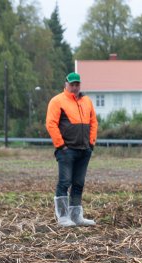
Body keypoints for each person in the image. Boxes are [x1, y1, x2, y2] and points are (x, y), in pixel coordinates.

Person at [45, 72, 98, 227]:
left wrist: (91, 143)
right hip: (66, 150)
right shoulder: (57, 101)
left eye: (77, 84)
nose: (75, 87)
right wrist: (61, 146)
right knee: (64, 182)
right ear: (66, 84)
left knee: (78, 183)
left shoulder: (87, 101)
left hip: (84, 149)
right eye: (72, 84)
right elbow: (51, 124)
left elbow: (93, 122)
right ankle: (63, 217)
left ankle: (76, 217)